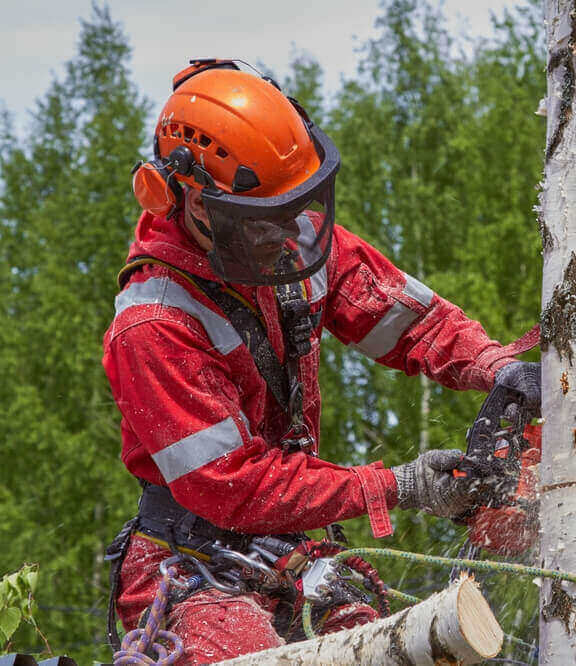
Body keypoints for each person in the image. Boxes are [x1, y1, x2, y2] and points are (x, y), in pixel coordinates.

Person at [102, 59, 540, 664]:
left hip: (293, 544)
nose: (286, 233)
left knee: (388, 647)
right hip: (195, 566)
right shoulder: (154, 326)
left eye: (293, 208)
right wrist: (395, 486)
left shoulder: (284, 239)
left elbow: (409, 321)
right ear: (190, 201)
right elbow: (233, 483)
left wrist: (495, 368)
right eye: (261, 220)